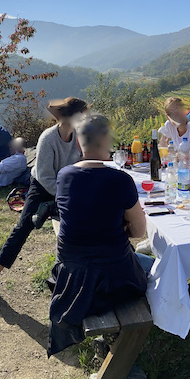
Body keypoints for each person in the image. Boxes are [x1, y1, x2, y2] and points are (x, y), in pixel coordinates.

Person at [46, 113, 151, 356]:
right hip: (114, 280)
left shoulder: (64, 176)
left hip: (72, 275)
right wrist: (120, 225)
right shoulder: (120, 180)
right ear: (106, 140)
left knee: (143, 260)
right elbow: (138, 231)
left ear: (79, 142)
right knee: (157, 267)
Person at [0, 97, 89, 294]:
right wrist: (67, 197)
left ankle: (73, 274)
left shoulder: (78, 136)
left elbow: (81, 162)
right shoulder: (48, 138)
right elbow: (44, 176)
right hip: (42, 186)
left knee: (83, 220)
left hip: (65, 187)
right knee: (23, 227)